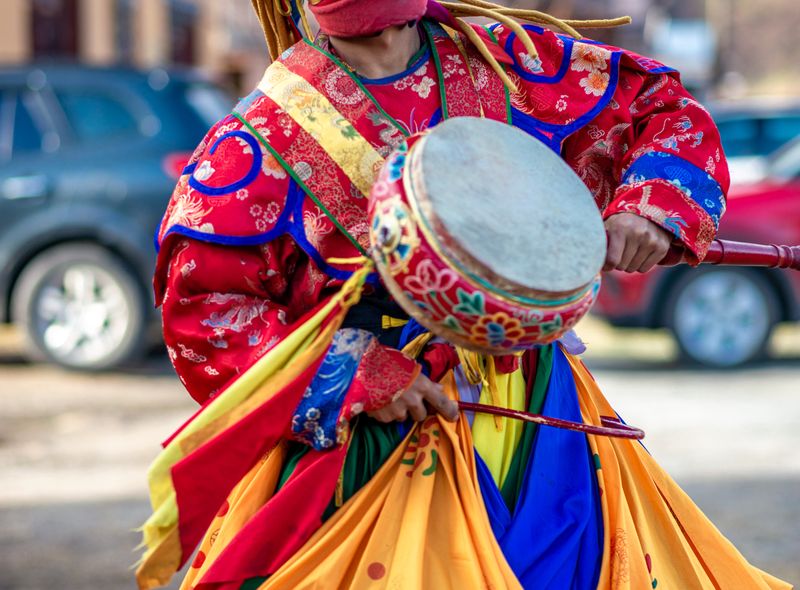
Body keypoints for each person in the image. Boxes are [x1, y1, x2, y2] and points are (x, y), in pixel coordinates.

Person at [136, 1, 791, 589]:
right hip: (380, 429)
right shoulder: (254, 142)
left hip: (536, 400)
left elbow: (661, 109)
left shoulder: (508, 62)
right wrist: (357, 375)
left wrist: (648, 207)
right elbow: (206, 314)